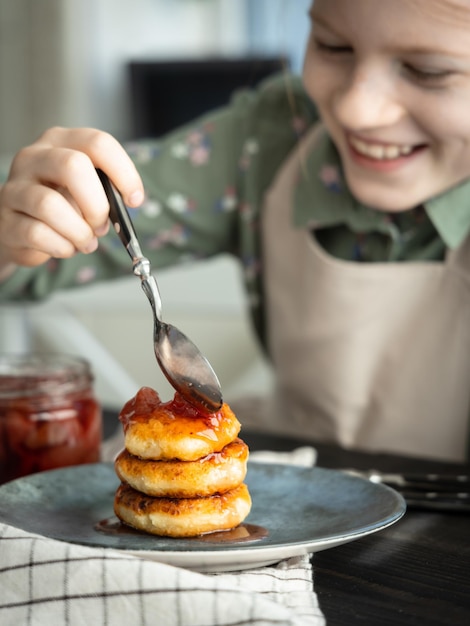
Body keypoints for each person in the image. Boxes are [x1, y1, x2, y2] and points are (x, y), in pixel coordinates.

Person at [1, 0, 469, 462]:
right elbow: (29, 264)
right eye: (333, 46)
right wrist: (18, 224)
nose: (356, 109)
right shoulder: (271, 138)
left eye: (428, 71)